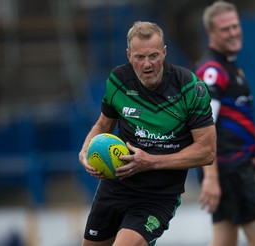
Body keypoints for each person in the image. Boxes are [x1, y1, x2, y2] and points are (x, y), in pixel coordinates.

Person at [78, 21, 216, 246]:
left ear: (164, 52)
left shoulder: (190, 88)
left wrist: (150, 162)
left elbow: (207, 152)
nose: (147, 64)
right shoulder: (118, 81)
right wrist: (86, 150)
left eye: (153, 56)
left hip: (158, 196)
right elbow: (103, 125)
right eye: (140, 57)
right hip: (116, 187)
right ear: (129, 55)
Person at [195, 2, 255, 246]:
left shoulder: (231, 67)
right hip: (228, 169)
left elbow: (233, 121)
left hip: (236, 164)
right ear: (211, 33)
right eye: (225, 29)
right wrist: (211, 177)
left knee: (224, 238)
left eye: (235, 26)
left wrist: (252, 157)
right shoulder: (212, 71)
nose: (233, 32)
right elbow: (203, 125)